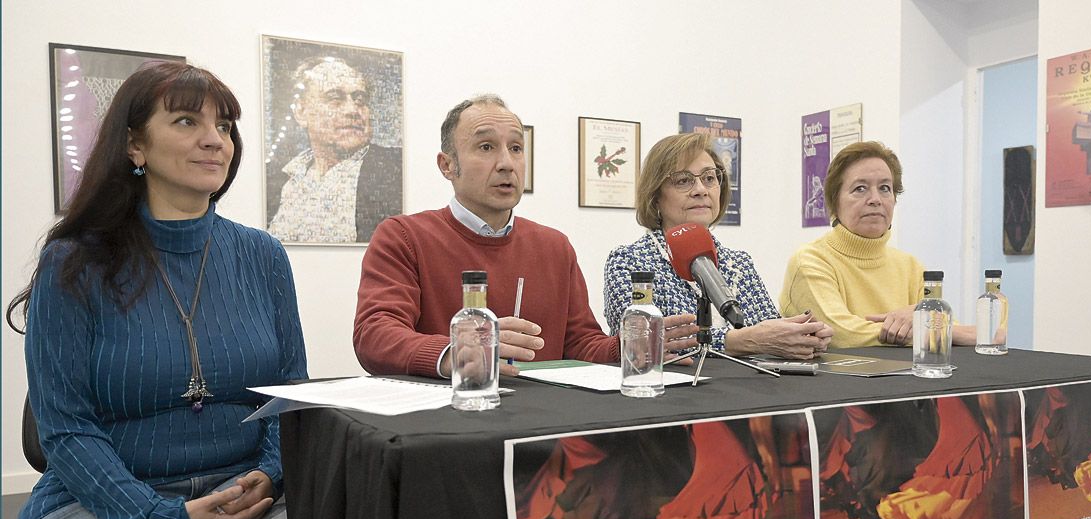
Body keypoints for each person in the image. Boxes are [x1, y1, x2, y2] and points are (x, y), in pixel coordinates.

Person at [7, 61, 307, 519]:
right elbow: (64, 428)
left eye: (223, 126)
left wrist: (272, 475)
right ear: (134, 145)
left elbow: (289, 395)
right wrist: (160, 516)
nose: (213, 139)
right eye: (187, 121)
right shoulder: (74, 264)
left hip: (244, 498)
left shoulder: (262, 256)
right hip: (94, 504)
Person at [354, 95, 698, 378]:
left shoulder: (553, 246)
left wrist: (629, 346)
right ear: (447, 165)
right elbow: (375, 335)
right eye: (486, 147)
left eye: (516, 148)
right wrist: (456, 352)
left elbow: (579, 343)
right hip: (451, 421)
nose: (506, 163)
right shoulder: (403, 236)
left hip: (541, 425)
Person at [603, 133, 831, 359]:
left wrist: (802, 335)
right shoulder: (629, 261)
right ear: (655, 196)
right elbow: (641, 339)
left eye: (709, 178)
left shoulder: (739, 262)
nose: (701, 189)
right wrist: (743, 341)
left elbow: (769, 332)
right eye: (684, 180)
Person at [779, 140, 975, 348]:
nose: (875, 199)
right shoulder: (811, 261)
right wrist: (927, 328)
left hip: (907, 380)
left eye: (884, 188)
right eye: (860, 189)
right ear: (834, 202)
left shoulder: (911, 267)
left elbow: (950, 326)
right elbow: (840, 334)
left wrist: (928, 325)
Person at [267, 57, 402, 243]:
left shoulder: (396, 169)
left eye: (360, 99)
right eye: (335, 98)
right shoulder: (279, 178)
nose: (352, 109)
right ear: (301, 112)